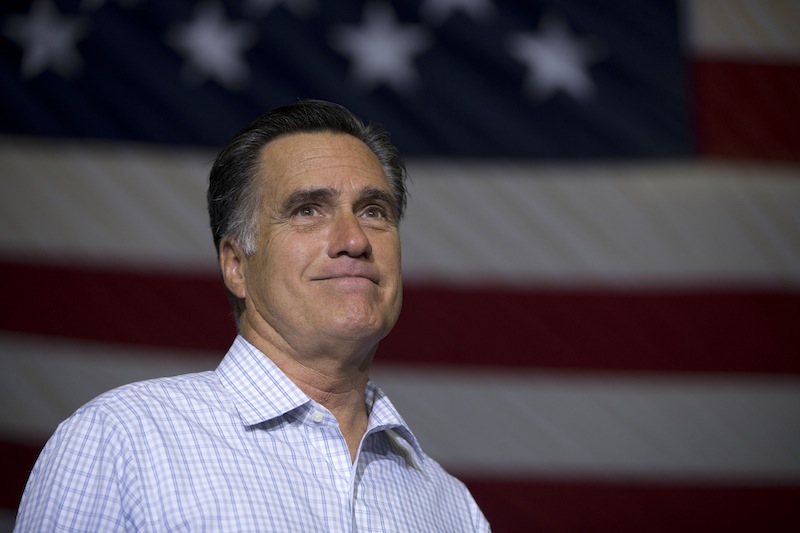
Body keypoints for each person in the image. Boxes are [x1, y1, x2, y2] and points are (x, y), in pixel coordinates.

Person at [15, 100, 491, 532]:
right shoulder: (122, 440)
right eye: (307, 210)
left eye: (373, 211)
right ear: (236, 266)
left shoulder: (451, 508)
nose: (354, 239)